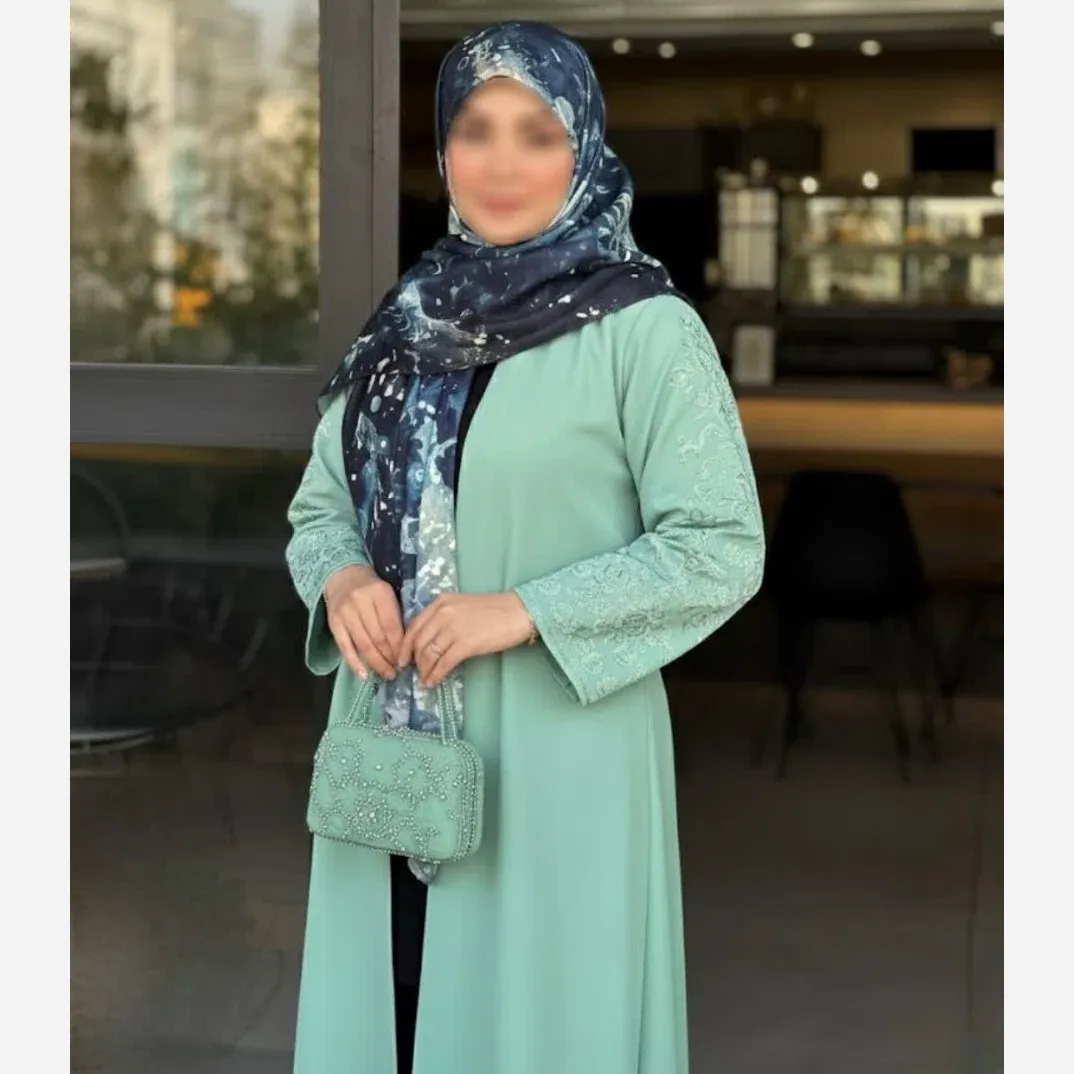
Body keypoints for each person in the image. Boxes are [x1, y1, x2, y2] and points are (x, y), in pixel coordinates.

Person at [285, 20, 765, 1074]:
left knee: (541, 1026)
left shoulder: (646, 329)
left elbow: (720, 545)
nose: (502, 162)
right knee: (393, 1009)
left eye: (537, 134)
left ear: (582, 149)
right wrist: (344, 578)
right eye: (476, 129)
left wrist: (525, 610)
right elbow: (319, 510)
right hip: (387, 749)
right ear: (444, 151)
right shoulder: (403, 329)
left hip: (557, 759)